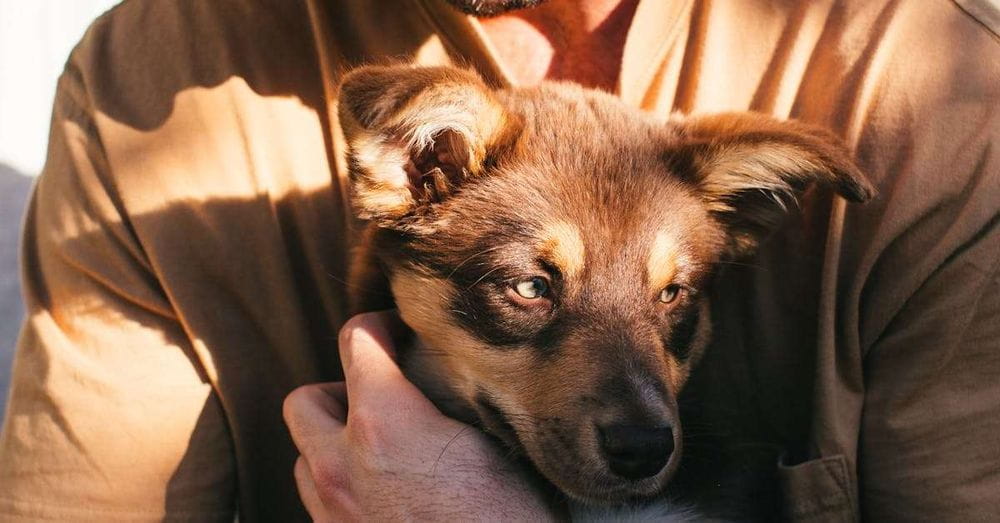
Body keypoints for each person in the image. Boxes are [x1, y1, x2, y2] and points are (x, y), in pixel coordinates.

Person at [0, 0, 997, 520]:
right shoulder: (147, 81)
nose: (639, 409)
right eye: (528, 286)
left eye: (671, 296)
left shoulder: (942, 95)